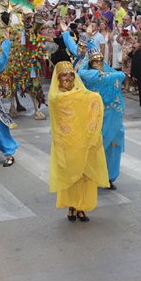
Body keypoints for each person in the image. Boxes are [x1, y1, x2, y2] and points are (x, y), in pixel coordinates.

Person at [48, 61, 109, 222]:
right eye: (63, 75)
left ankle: (81, 207)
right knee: (70, 175)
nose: (68, 78)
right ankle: (71, 206)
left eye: (70, 74)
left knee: (84, 175)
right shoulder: (55, 97)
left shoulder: (81, 93)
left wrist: (93, 97)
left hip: (83, 140)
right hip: (67, 142)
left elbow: (92, 100)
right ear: (58, 78)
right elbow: (62, 103)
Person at [79, 52, 126, 190]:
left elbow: (121, 75)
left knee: (113, 147)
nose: (98, 64)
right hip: (95, 117)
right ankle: (92, 176)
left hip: (113, 117)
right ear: (90, 63)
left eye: (100, 60)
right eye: (95, 61)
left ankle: (109, 177)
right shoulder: (88, 76)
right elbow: (82, 73)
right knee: (95, 146)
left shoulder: (110, 74)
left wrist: (105, 74)